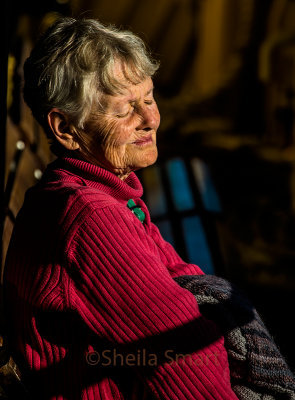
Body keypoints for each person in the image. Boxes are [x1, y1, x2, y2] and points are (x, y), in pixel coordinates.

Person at [3, 17, 241, 400]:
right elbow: (180, 357)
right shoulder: (91, 219)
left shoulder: (105, 193)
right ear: (66, 129)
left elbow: (175, 272)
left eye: (149, 98)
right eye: (125, 110)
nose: (150, 119)